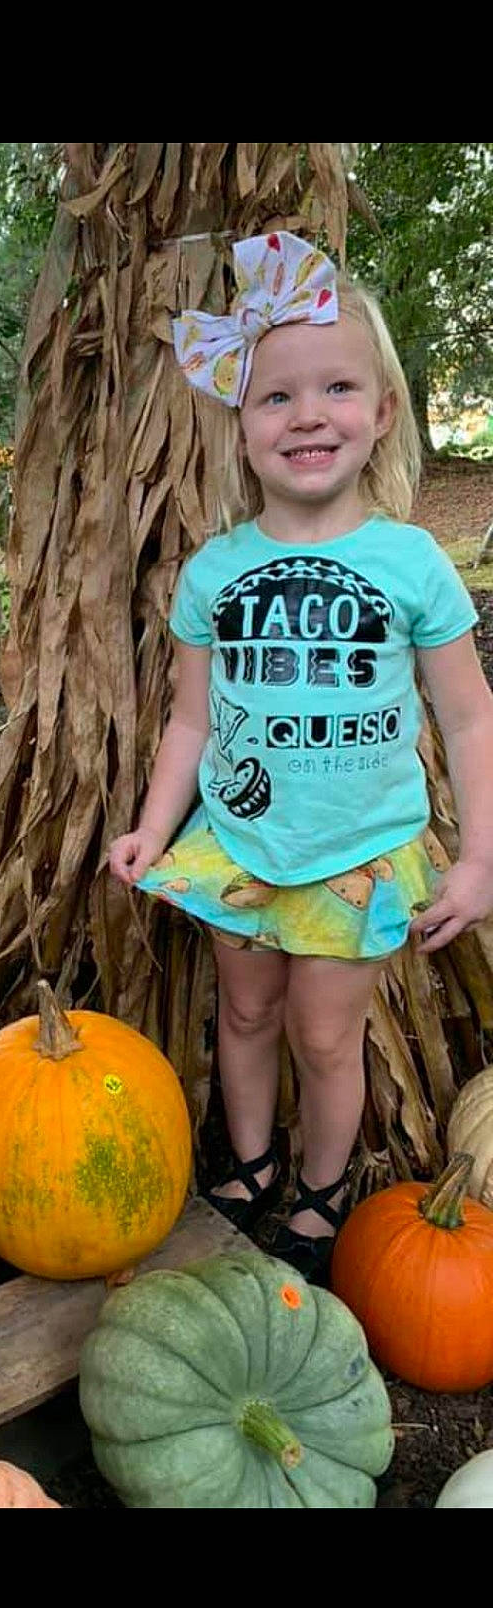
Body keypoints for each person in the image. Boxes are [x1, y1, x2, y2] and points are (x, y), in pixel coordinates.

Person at [108, 230, 493, 1282]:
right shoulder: (214, 573)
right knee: (244, 1011)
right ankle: (249, 1164)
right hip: (238, 842)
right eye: (276, 397)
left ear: (382, 412)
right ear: (241, 429)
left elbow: (469, 717)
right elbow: (190, 721)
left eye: (337, 388)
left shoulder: (410, 563)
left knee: (325, 1038)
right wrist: (153, 824)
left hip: (356, 851)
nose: (308, 414)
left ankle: (320, 1193)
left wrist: (478, 861)